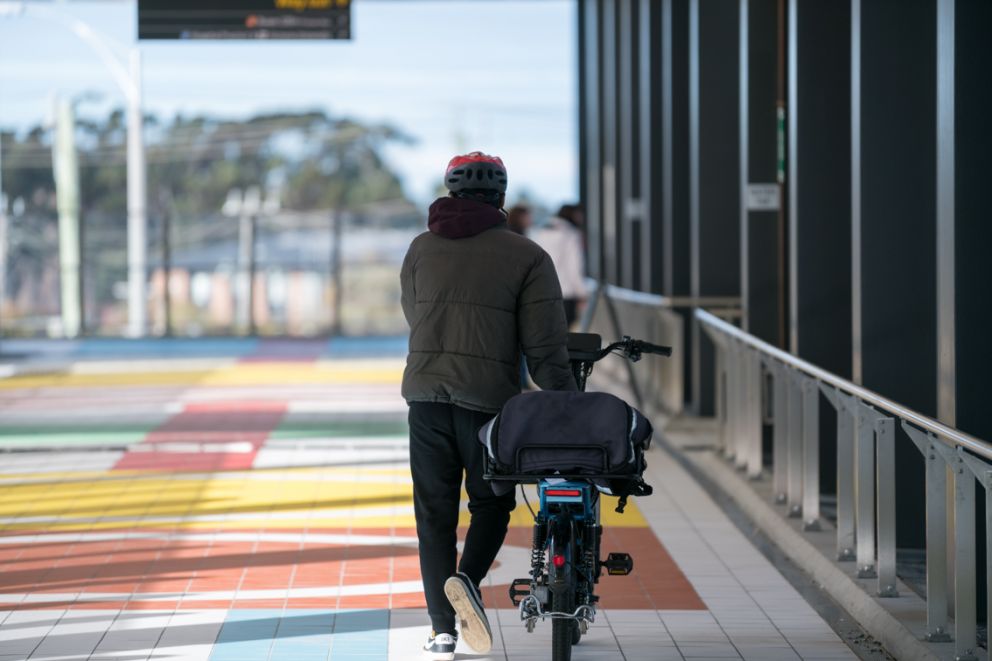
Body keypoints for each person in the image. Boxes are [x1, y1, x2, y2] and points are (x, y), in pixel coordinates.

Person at [400, 151, 576, 660]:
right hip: (488, 406)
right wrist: (567, 402)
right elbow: (545, 349)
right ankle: (468, 584)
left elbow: (416, 317)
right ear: (500, 198)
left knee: (434, 515)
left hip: (426, 400)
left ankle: (442, 631)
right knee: (492, 503)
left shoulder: (419, 249)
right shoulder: (527, 256)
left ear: (450, 193)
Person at [529, 203, 589, 328]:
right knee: (564, 333)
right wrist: (582, 293)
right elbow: (574, 267)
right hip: (565, 293)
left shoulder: (540, 232)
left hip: (542, 291)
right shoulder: (571, 234)